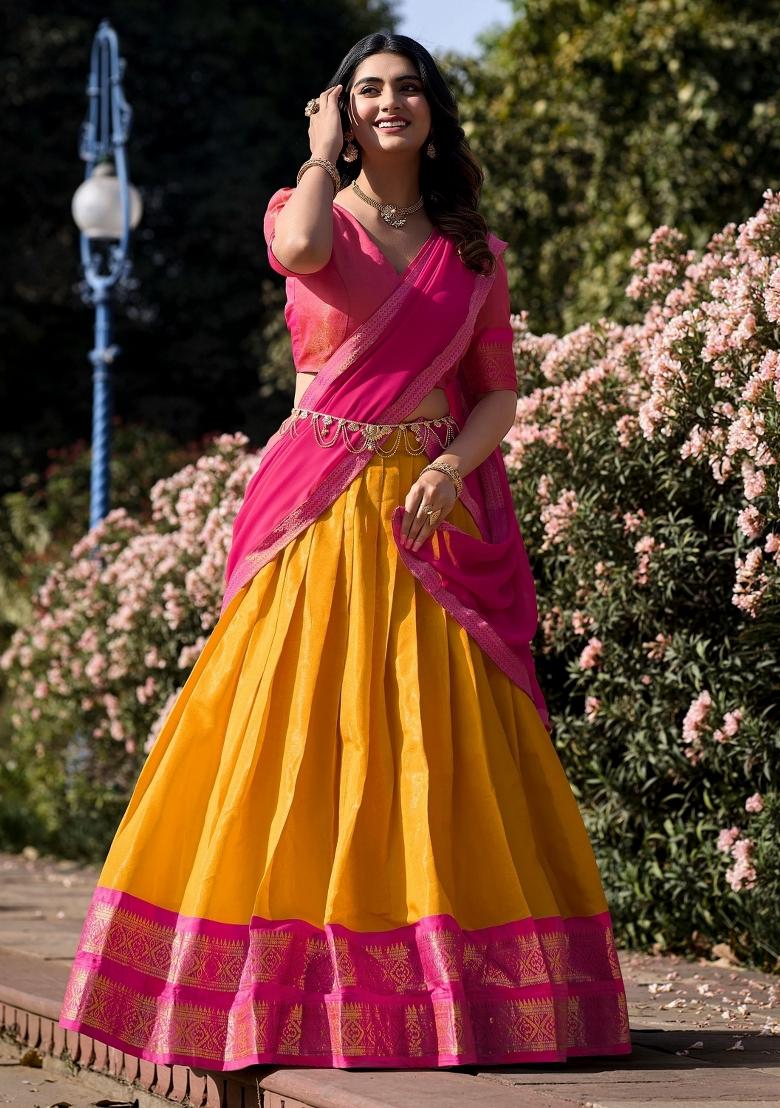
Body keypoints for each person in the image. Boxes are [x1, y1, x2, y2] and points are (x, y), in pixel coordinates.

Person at [59, 32, 632, 1071]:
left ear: (433, 107)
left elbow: (498, 392)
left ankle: (456, 1002)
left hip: (426, 520)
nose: (388, 104)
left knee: (430, 753)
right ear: (343, 107)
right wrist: (320, 151)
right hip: (317, 514)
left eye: (406, 88)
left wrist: (452, 466)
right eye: (367, 91)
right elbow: (302, 256)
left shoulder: (475, 254)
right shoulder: (305, 207)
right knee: (298, 750)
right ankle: (276, 1000)